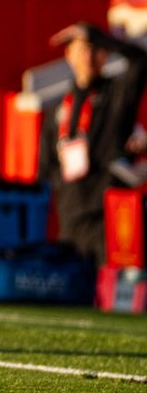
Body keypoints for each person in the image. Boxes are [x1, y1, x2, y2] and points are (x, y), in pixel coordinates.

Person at [38, 22, 147, 264]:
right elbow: (45, 168)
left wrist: (99, 37)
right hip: (70, 215)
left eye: (95, 50)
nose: (88, 57)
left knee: (112, 283)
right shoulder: (58, 109)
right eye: (82, 50)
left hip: (109, 213)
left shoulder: (116, 95)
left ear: (104, 54)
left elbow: (140, 61)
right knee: (72, 283)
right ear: (69, 55)